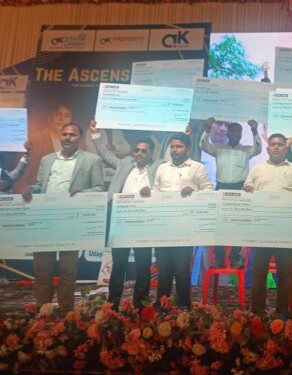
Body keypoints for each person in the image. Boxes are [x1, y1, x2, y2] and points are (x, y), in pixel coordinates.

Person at [22, 123, 104, 312]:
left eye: (72, 135)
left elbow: (99, 188)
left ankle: (66, 312)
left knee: (68, 271)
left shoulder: (92, 160)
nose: (67, 138)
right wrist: (30, 189)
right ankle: (43, 311)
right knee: (42, 270)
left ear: (80, 138)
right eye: (64, 134)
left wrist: (83, 193)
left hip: (71, 222)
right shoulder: (47, 159)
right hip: (45, 221)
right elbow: (40, 185)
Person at [89, 120, 164, 310]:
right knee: (119, 264)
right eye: (137, 150)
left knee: (143, 265)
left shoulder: (158, 167)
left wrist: (153, 191)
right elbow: (105, 154)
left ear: (151, 153)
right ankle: (113, 303)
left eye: (144, 151)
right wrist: (96, 134)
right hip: (120, 221)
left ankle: (141, 305)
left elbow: (173, 162)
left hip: (144, 223)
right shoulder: (125, 163)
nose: (139, 154)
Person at [142, 132, 213, 309]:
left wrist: (194, 193)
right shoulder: (162, 168)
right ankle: (162, 306)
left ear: (188, 148)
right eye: (172, 146)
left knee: (181, 270)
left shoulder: (197, 167)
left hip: (185, 227)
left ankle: (184, 307)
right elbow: (156, 190)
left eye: (179, 146)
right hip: (163, 226)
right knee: (163, 270)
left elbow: (209, 192)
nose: (175, 150)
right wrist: (148, 192)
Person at [243, 133, 292, 316]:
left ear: (286, 147)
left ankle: (282, 312)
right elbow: (247, 190)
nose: (277, 147)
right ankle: (257, 311)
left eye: (280, 144)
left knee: (285, 273)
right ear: (268, 148)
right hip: (261, 228)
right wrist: (247, 189)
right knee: (259, 272)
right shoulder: (257, 168)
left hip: (285, 230)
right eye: (273, 144)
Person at [201, 116, 262, 268]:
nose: (235, 133)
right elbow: (203, 145)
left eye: (238, 131)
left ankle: (235, 256)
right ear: (228, 133)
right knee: (219, 224)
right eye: (232, 131)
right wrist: (207, 129)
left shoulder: (246, 150)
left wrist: (254, 130)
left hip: (240, 188)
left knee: (238, 224)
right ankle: (219, 258)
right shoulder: (219, 148)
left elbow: (258, 149)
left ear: (241, 134)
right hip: (221, 187)